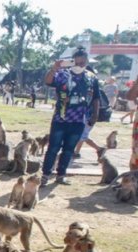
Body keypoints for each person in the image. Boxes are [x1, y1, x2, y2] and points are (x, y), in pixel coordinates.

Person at [40, 47, 100, 186]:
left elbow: (96, 97)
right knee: (53, 148)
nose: (79, 65)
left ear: (86, 62)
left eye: (82, 63)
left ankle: (61, 175)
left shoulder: (91, 78)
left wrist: (95, 115)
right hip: (60, 118)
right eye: (77, 62)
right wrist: (54, 68)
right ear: (72, 62)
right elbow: (48, 82)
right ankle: (45, 174)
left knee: (69, 149)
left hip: (79, 120)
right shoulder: (62, 74)